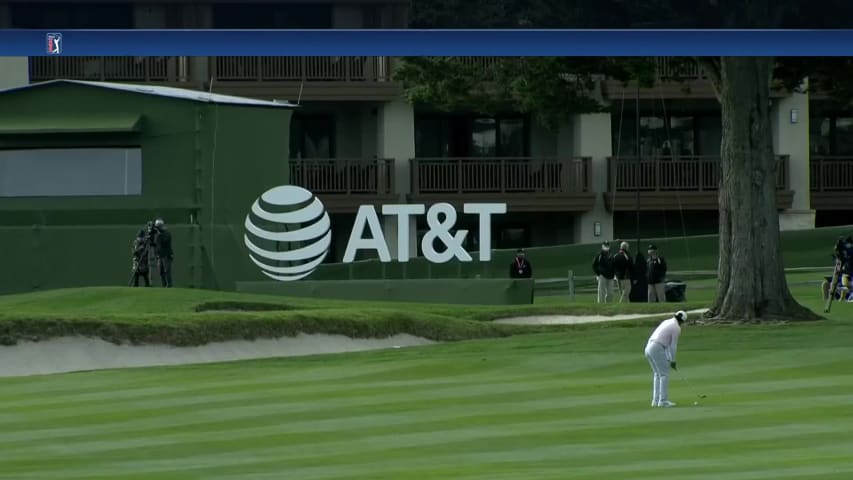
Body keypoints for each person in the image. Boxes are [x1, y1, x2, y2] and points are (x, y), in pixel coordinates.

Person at [644, 310, 687, 407]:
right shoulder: (676, 328)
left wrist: (670, 359)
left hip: (648, 347)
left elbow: (667, 345)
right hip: (656, 347)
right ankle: (663, 401)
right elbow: (673, 345)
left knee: (658, 374)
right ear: (682, 321)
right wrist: (673, 360)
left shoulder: (667, 321)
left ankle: (655, 401)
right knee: (664, 375)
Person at [153, 218, 174, 288]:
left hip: (166, 255)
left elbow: (165, 242)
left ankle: (169, 285)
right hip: (159, 255)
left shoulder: (166, 233)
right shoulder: (157, 235)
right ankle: (163, 285)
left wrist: (159, 234)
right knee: (161, 272)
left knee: (166, 271)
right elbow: (155, 244)